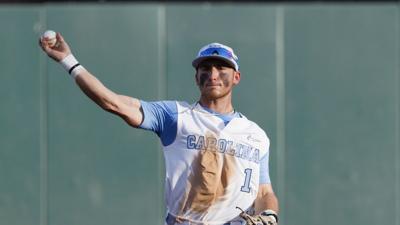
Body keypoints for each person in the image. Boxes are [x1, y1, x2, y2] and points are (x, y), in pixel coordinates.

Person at [39, 33, 279, 225]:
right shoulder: (176, 116)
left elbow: (264, 191)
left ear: (236, 77)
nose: (213, 74)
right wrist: (68, 61)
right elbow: (113, 102)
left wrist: (269, 214)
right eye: (205, 68)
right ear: (196, 77)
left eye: (221, 68)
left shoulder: (256, 135)